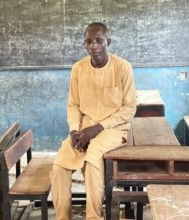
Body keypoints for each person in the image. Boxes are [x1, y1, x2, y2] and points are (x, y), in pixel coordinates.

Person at [50, 22, 136, 220]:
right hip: (83, 128)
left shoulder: (123, 67)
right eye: (88, 42)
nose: (93, 46)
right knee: (59, 167)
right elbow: (73, 105)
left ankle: (94, 217)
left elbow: (129, 108)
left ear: (108, 42)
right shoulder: (78, 69)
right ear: (84, 44)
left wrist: (97, 128)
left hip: (114, 128)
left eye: (98, 41)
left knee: (93, 159)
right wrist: (73, 131)